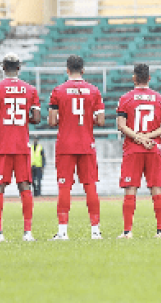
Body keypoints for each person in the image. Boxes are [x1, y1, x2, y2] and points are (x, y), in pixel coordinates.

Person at [48, 55, 105, 240]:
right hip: (86, 144)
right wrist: (90, 119)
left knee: (64, 186)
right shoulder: (94, 91)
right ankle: (95, 231)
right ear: (83, 70)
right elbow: (101, 120)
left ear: (67, 70)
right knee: (90, 186)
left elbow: (51, 121)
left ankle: (63, 231)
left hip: (65, 144)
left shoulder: (58, 91)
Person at [0, 53, 41, 242]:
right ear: (19, 68)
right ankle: (27, 233)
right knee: (24, 186)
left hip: (2, 144)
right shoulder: (30, 90)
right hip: (22, 144)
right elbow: (36, 118)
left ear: (3, 68)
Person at [116, 64, 161, 239]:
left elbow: (121, 125)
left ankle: (127, 232)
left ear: (134, 78)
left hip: (133, 149)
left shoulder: (125, 98)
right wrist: (149, 137)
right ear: (149, 78)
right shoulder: (160, 98)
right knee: (156, 189)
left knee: (130, 189)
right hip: (154, 148)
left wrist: (139, 138)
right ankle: (160, 231)